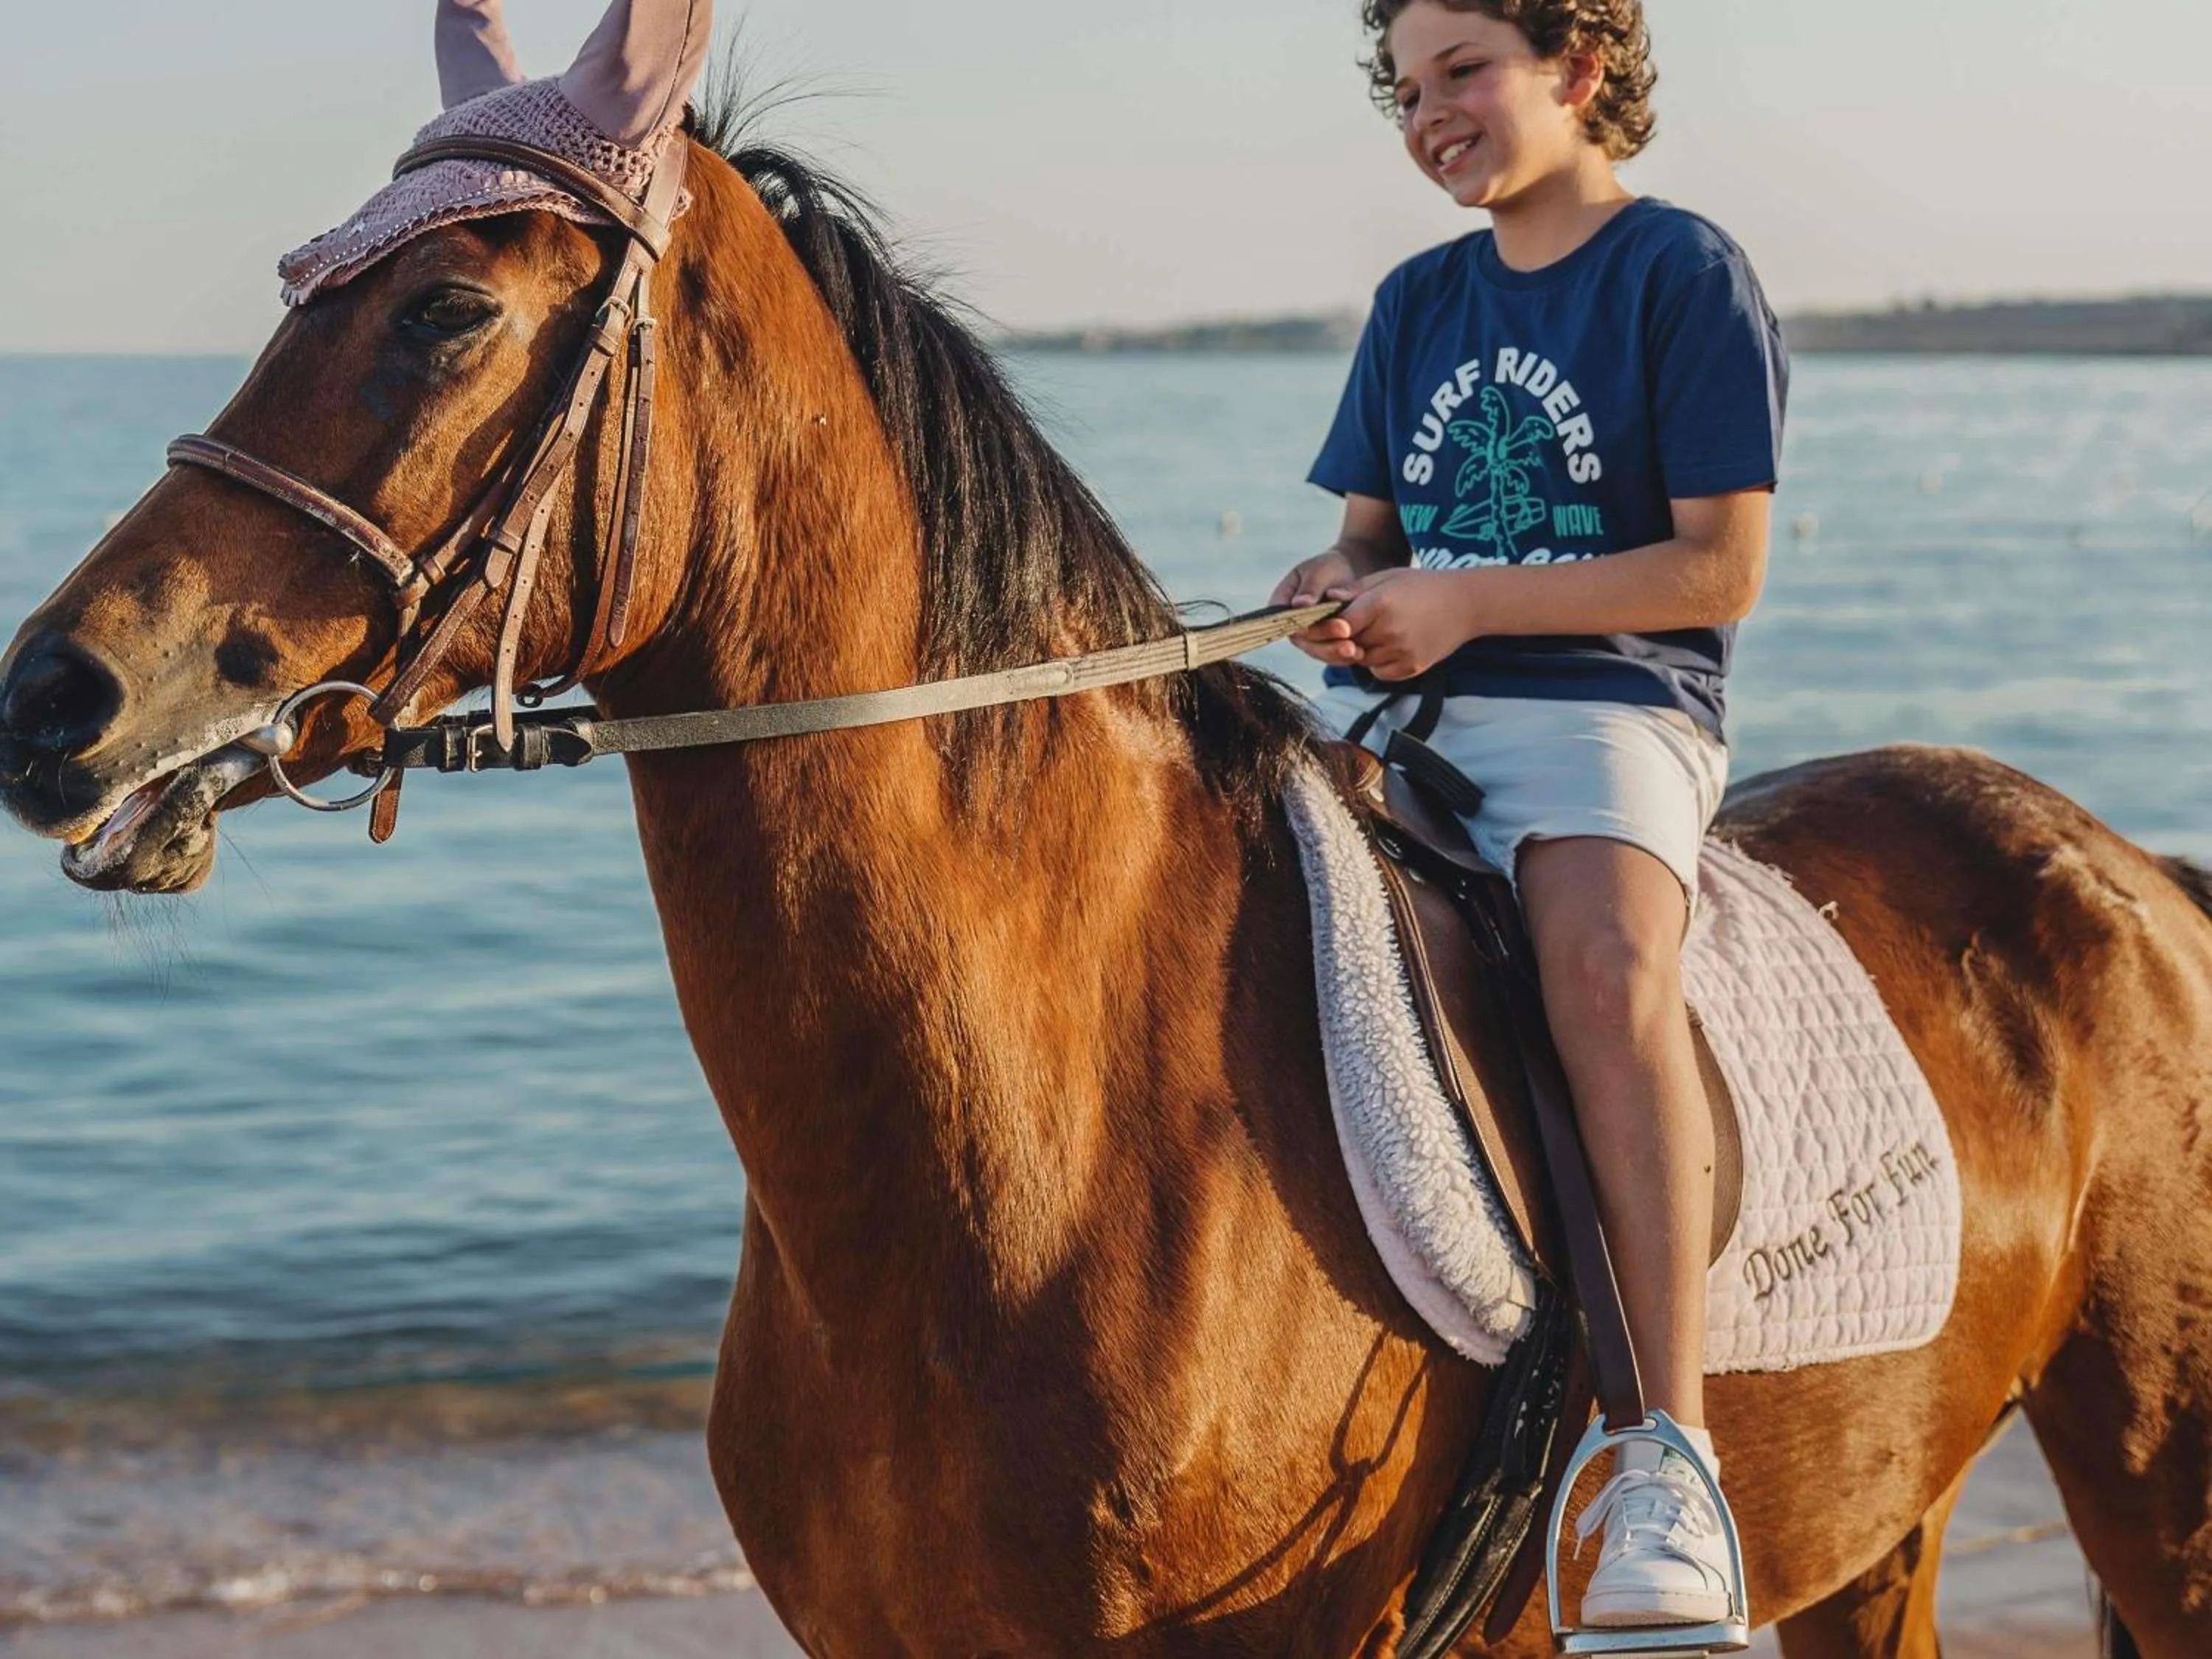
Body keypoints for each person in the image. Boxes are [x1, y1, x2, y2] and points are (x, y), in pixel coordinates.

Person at [1270, 0, 1787, 1632]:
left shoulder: (1679, 272)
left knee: (1600, 975)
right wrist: (1333, 590)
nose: (1431, 114)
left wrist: (1470, 602)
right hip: (1415, 716)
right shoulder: (1417, 301)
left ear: (1577, 66)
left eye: (1465, 72)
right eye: (1408, 90)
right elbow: (1368, 538)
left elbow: (1722, 569)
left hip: (1609, 715)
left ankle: (1667, 1464)